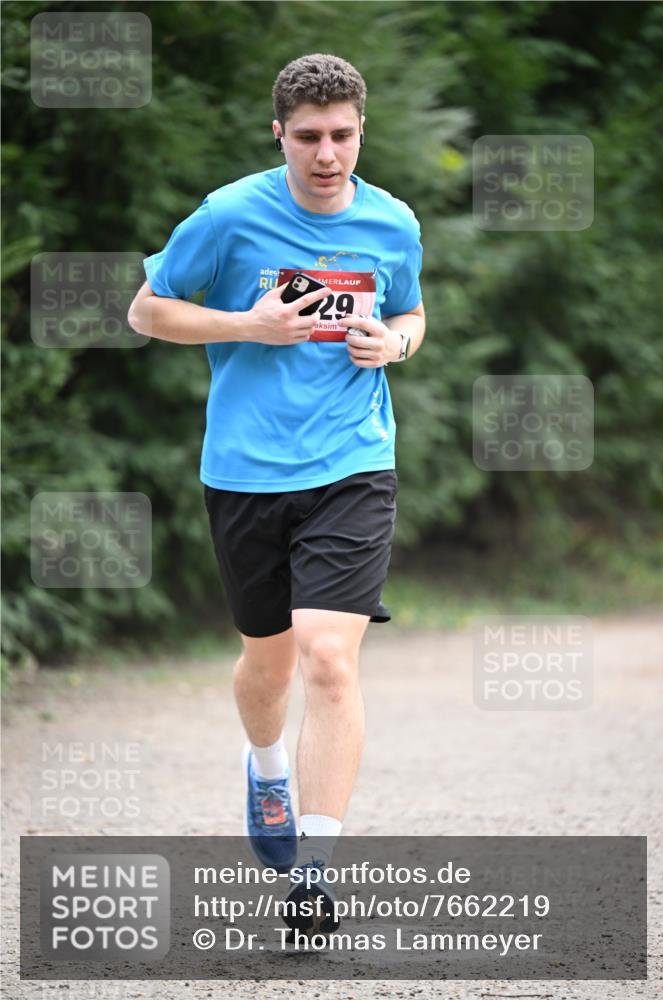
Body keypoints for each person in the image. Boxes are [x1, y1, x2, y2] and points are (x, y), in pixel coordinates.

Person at [128, 52, 425, 932]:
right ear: (279, 136)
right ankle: (265, 770)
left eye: (340, 136)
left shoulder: (392, 223)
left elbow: (410, 313)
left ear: (359, 131)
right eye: (308, 138)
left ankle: (314, 872)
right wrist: (244, 325)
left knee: (329, 659)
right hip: (247, 471)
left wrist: (395, 346)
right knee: (269, 663)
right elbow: (146, 310)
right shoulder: (229, 215)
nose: (326, 154)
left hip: (353, 463)